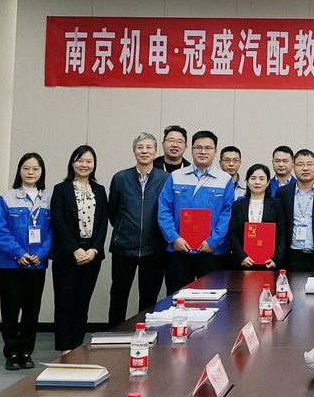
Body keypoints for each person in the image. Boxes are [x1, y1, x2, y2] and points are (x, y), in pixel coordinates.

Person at [0, 152, 52, 370]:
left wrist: (42, 253)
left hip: (37, 263)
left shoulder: (48, 198)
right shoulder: (6, 198)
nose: (31, 172)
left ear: (41, 172)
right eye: (26, 168)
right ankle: (12, 352)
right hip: (11, 264)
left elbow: (53, 231)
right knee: (10, 308)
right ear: (19, 171)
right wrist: (18, 253)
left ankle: (26, 351)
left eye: (35, 168)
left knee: (31, 309)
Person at [157, 130, 236, 293]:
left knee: (211, 299)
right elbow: (164, 210)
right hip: (179, 249)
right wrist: (174, 238)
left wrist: (213, 241)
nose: (203, 152)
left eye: (208, 148)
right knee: (177, 297)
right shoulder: (176, 176)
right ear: (191, 149)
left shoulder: (225, 179)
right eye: (198, 147)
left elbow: (227, 214)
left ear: (215, 151)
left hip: (211, 251)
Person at [49, 145, 108, 353]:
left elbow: (103, 223)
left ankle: (77, 345)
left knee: (82, 303)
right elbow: (57, 221)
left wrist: (95, 250)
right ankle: (65, 348)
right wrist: (74, 249)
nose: (84, 165)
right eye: (80, 160)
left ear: (94, 164)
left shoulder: (99, 190)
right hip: (67, 255)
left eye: (89, 161)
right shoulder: (61, 189)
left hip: (91, 255)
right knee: (64, 303)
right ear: (72, 163)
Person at [107, 132, 168, 327]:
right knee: (119, 294)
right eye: (140, 147)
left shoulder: (165, 179)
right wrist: (124, 228)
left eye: (149, 147)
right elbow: (113, 212)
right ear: (134, 151)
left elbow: (168, 210)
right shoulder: (120, 178)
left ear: (156, 151)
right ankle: (114, 333)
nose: (144, 151)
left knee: (149, 297)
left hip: (154, 247)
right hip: (124, 247)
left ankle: (144, 333)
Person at [277, 149, 314, 272]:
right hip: (290, 255)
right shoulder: (283, 192)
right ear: (293, 167)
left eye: (310, 164)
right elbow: (279, 226)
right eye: (300, 164)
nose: (305, 168)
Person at [227, 163, 287, 270]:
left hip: (269, 262)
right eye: (253, 178)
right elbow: (232, 233)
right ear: (247, 182)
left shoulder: (277, 204)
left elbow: (281, 234)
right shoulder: (238, 205)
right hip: (243, 262)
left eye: (262, 179)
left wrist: (276, 259)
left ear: (268, 182)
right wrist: (242, 257)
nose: (257, 182)